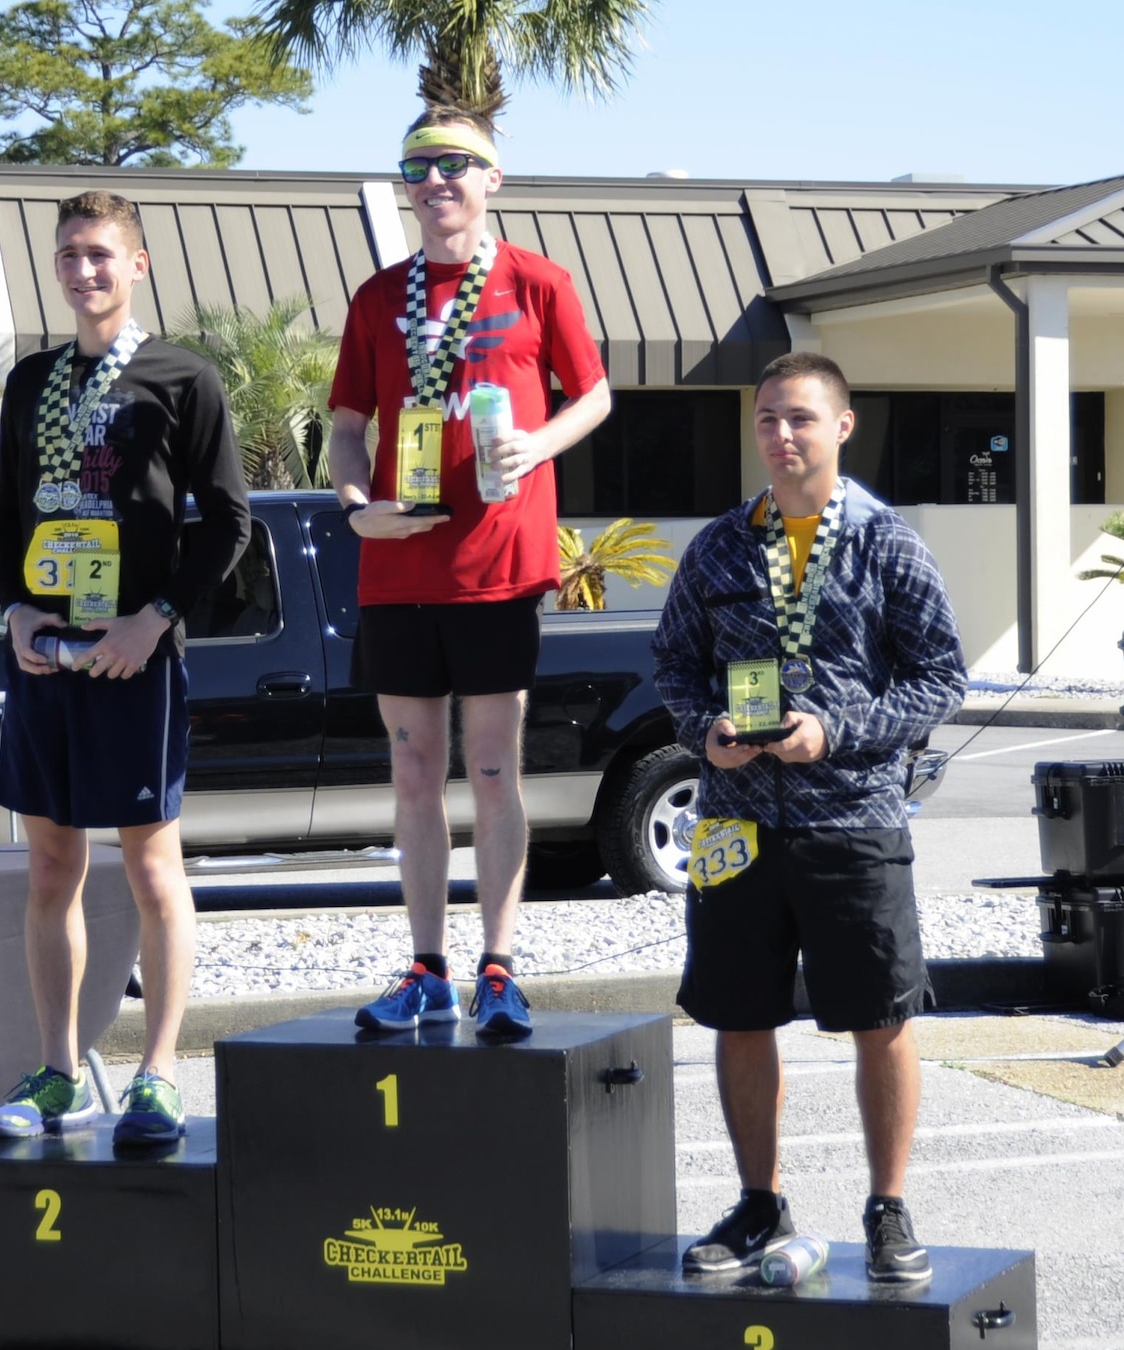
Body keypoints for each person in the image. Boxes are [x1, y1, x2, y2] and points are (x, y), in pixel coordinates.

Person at [650, 352, 966, 1283]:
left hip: (853, 816)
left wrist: (840, 731)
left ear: (842, 427)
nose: (780, 436)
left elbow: (941, 675)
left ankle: (889, 1207)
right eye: (766, 420)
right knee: (737, 1016)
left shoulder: (886, 542)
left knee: (882, 1017)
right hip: (733, 823)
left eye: (798, 418)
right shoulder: (717, 546)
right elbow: (673, 663)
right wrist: (701, 731)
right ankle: (760, 1202)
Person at [327, 106, 611, 1039]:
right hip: (397, 570)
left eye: (458, 164)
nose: (438, 180)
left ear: (493, 179)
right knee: (413, 777)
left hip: (497, 566)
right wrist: (350, 501)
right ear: (405, 186)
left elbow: (595, 395)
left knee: (493, 770)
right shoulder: (379, 297)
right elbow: (347, 427)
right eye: (420, 166)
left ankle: (499, 965)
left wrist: (536, 446)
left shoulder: (536, 282)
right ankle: (425, 966)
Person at [0, 190, 251, 1145]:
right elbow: (4, 518)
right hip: (45, 661)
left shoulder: (183, 378)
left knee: (150, 864)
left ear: (136, 266)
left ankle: (158, 1073)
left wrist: (157, 616)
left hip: (137, 660)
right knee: (51, 865)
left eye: (100, 253)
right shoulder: (28, 382)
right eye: (68, 255)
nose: (83, 269)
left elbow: (227, 523)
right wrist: (14, 604)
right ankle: (57, 1070)